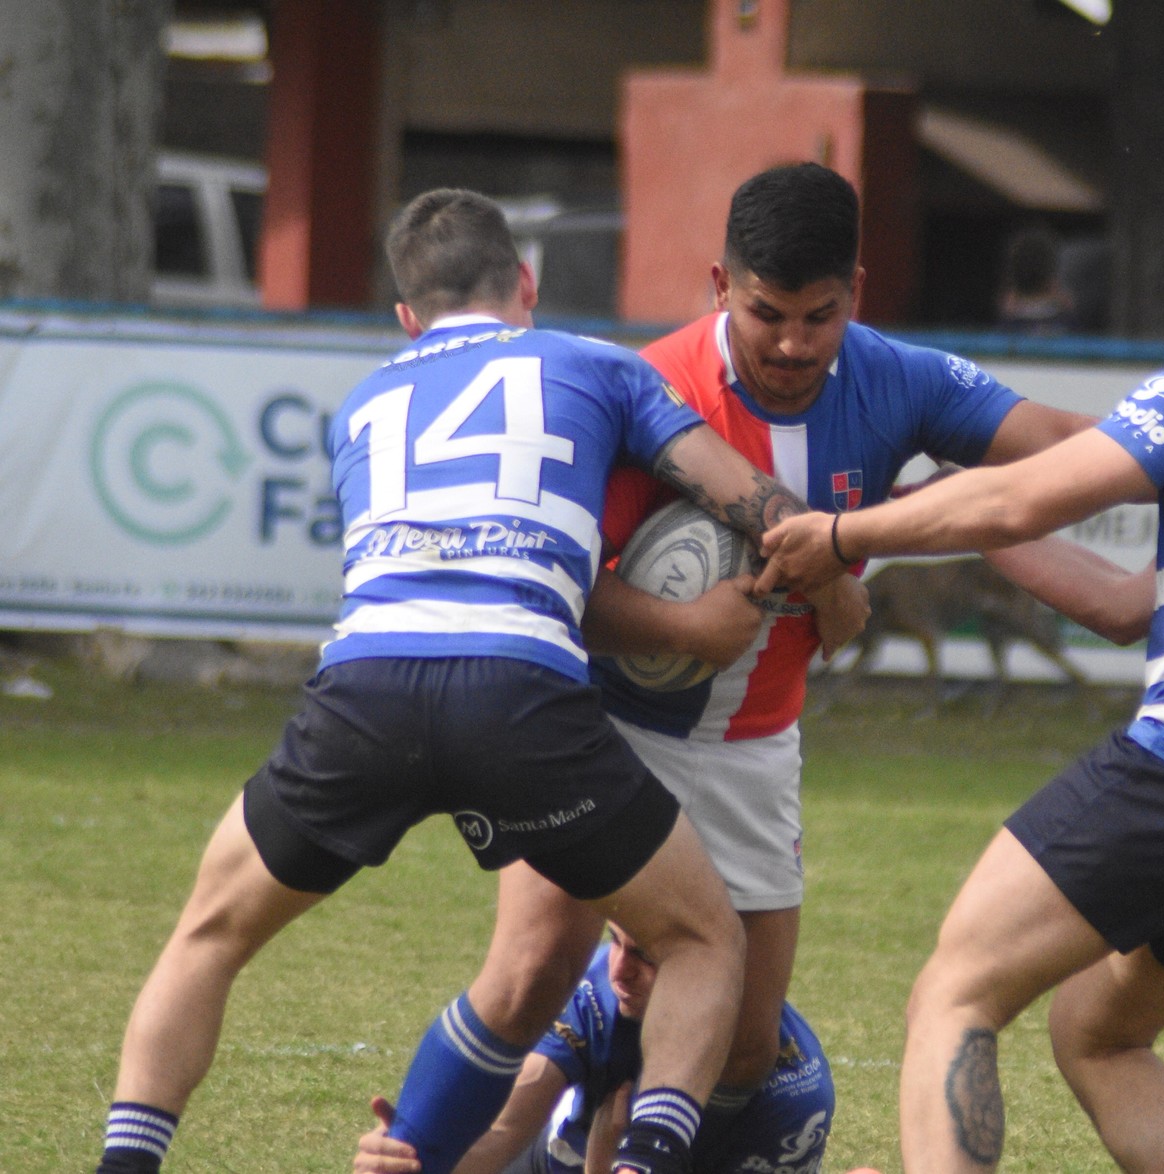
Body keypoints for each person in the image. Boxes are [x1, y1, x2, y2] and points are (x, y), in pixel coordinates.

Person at [377, 162, 1101, 1172]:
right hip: (607, 730)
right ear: (721, 285)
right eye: (767, 314)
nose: (793, 344)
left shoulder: (898, 381)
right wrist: (685, 628)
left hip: (755, 745)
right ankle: (436, 1143)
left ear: (856, 290)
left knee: (749, 1048)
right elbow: (558, 591)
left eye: (820, 315)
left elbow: (1066, 449)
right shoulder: (645, 390)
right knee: (533, 968)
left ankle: (609, 1090)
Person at [92, 187, 827, 1174]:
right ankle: (645, 1162)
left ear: (408, 316)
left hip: (365, 689)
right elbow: (756, 503)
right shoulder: (595, 363)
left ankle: (125, 1163)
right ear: (524, 281)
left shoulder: (363, 406)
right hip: (518, 691)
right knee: (701, 936)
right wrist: (828, 579)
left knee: (209, 934)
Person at [756, 199, 1164, 1172]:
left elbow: (1020, 493)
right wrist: (950, 510)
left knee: (956, 990)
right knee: (1100, 1034)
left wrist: (844, 534)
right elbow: (1118, 604)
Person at [352, 923, 833, 1174]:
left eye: (644, 955)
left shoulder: (790, 1094)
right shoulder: (596, 989)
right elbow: (503, 1130)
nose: (618, 970)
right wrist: (418, 1154)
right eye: (615, 940)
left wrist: (603, 1166)